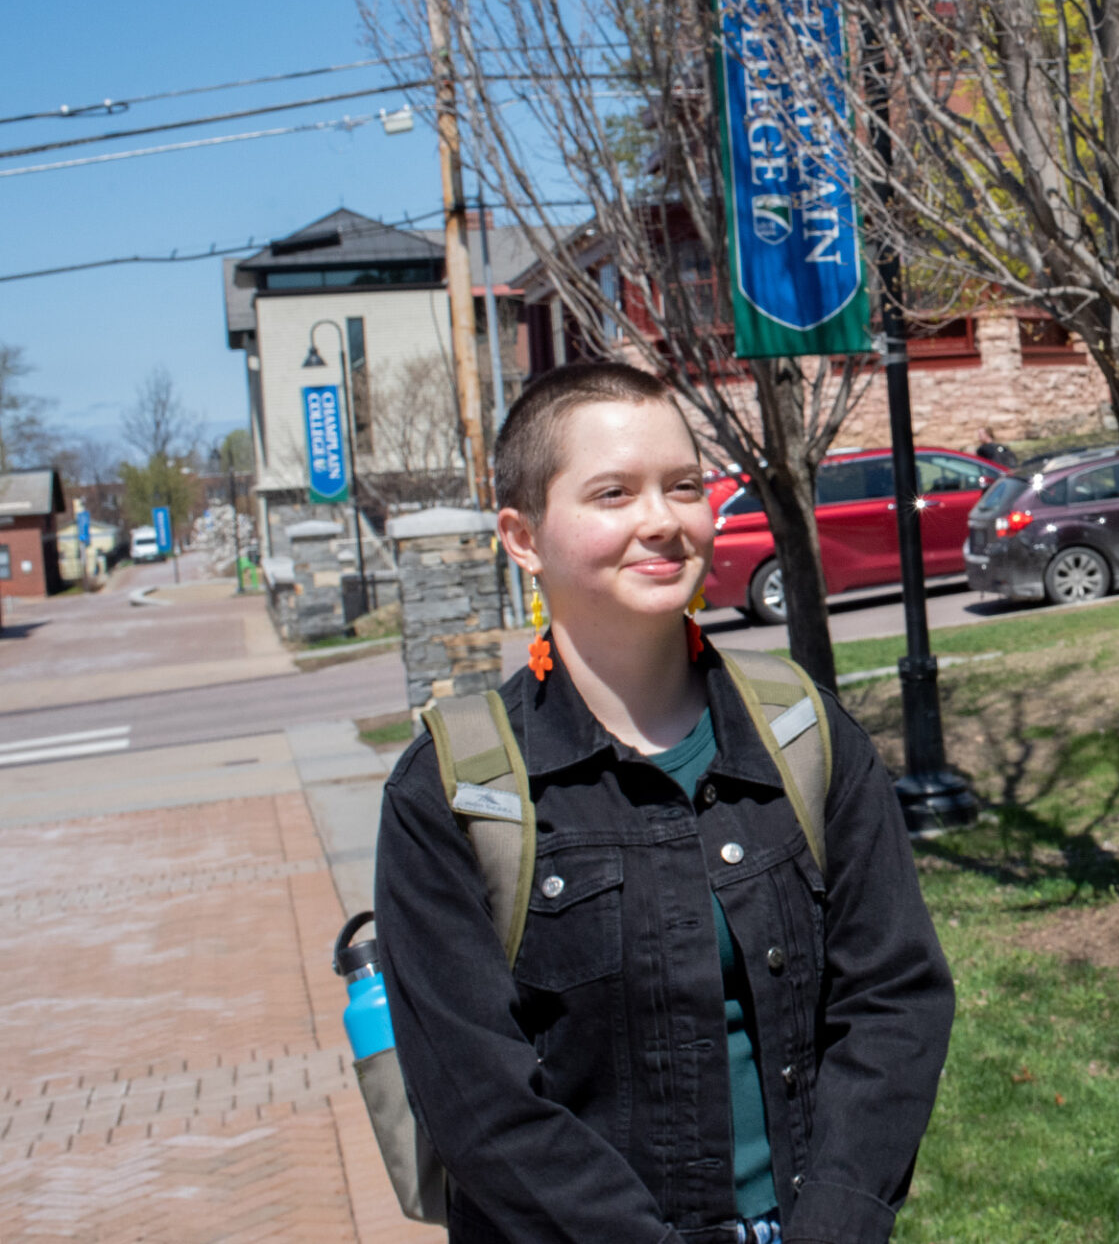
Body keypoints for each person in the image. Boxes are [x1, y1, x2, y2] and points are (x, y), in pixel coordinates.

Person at [375, 362, 953, 1243]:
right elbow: (480, 1104)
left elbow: (895, 996)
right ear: (522, 536)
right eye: (612, 493)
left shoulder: (799, 728)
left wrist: (838, 1220)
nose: (662, 521)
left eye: (683, 486)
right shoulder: (452, 791)